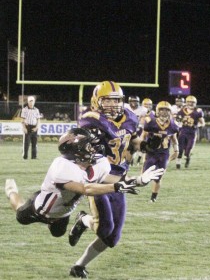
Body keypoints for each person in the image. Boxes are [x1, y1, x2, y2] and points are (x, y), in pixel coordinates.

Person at [70, 81, 164, 278]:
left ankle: (78, 266)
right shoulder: (91, 120)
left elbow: (133, 141)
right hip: (100, 180)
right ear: (97, 101)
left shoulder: (129, 117)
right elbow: (87, 160)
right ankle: (83, 219)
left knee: (112, 239)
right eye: (108, 101)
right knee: (104, 228)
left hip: (120, 177)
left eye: (117, 101)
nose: (113, 106)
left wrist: (146, 146)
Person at [4, 128, 142, 238]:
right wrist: (116, 187)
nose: (93, 148)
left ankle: (81, 220)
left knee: (57, 233)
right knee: (20, 213)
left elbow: (110, 178)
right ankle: (11, 190)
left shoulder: (97, 162)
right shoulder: (62, 166)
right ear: (77, 149)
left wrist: (137, 180)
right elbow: (85, 189)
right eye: (89, 145)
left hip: (63, 213)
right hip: (40, 210)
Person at [140, 101, 179, 202]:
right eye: (162, 110)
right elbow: (143, 135)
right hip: (151, 152)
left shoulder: (173, 124)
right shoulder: (150, 122)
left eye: (166, 110)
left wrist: (176, 149)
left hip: (164, 153)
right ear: (157, 111)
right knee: (145, 179)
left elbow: (174, 138)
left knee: (158, 177)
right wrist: (141, 146)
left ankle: (153, 197)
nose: (164, 112)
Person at [175, 95, 205, 168]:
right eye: (189, 102)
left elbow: (203, 123)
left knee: (188, 149)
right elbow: (177, 120)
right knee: (180, 148)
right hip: (183, 132)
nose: (190, 104)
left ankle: (188, 158)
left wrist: (197, 126)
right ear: (186, 102)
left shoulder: (198, 111)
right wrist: (179, 123)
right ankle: (178, 162)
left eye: (192, 102)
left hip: (192, 133)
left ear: (195, 103)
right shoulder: (182, 111)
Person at [21, 95, 41, 159]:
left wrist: (37, 127)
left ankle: (34, 156)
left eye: (32, 101)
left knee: (34, 144)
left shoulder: (36, 110)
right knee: (26, 143)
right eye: (30, 101)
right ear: (28, 102)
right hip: (28, 127)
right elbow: (22, 120)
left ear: (34, 102)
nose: (31, 103)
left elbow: (38, 119)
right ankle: (25, 156)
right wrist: (24, 128)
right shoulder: (24, 109)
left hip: (34, 127)